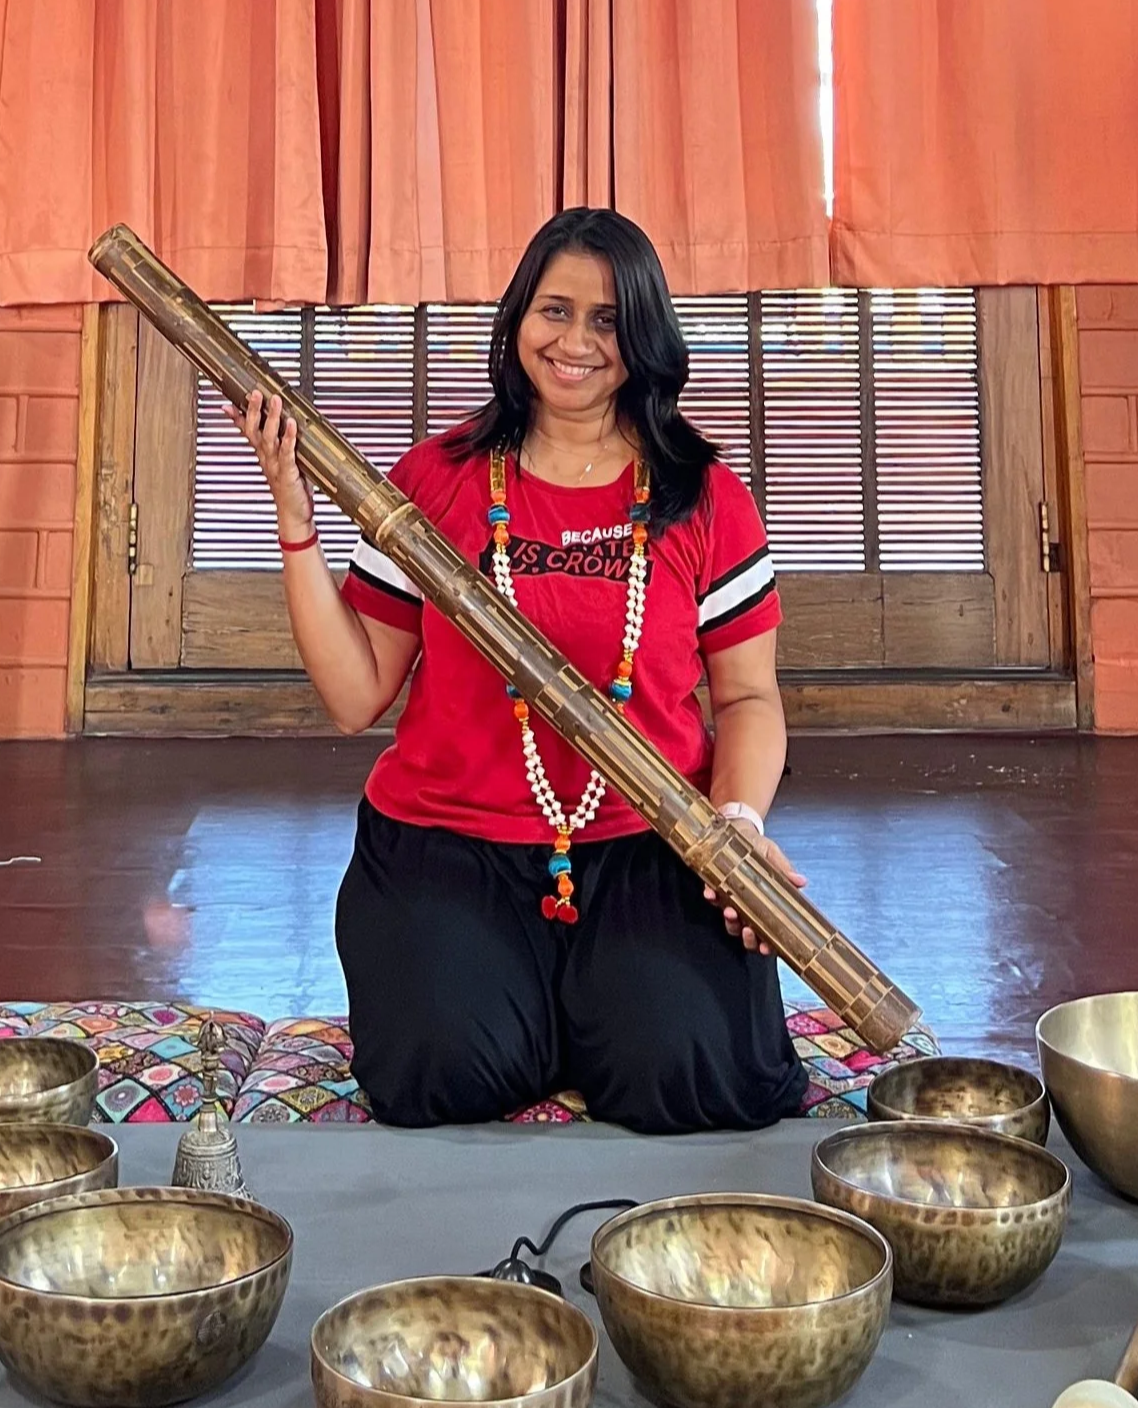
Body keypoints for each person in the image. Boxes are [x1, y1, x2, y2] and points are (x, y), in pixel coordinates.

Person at [228, 206, 806, 1135]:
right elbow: (354, 694)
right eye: (554, 311)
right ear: (517, 321)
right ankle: (546, 1005)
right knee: (439, 1073)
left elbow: (747, 697)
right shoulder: (437, 480)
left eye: (609, 320)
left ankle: (589, 1006)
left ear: (647, 336)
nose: (576, 341)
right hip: (447, 844)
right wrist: (295, 518)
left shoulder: (702, 494)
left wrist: (734, 825)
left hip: (649, 839)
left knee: (699, 1076)